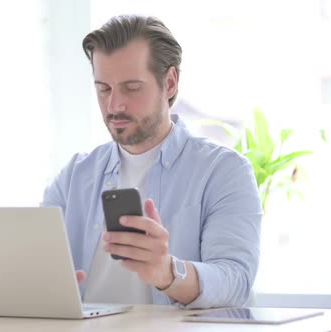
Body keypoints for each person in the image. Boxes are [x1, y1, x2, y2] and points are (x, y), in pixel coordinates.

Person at [41, 14, 262, 309]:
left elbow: (235, 280)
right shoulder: (74, 176)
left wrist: (169, 273)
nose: (114, 105)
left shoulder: (222, 172)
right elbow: (35, 267)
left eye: (131, 88)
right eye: (103, 88)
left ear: (169, 83)